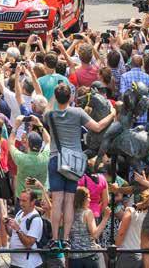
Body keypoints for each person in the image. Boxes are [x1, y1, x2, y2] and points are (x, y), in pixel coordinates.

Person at [44, 84, 115, 248]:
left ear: (56, 97)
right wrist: (112, 113)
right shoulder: (78, 113)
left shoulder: (50, 115)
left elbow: (46, 107)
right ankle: (66, 239)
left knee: (57, 201)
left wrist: (54, 96)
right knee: (69, 201)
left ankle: (55, 239)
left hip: (56, 158)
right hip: (74, 162)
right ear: (70, 98)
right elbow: (98, 127)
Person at [68, 186, 110, 268]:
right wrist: (105, 218)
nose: (90, 200)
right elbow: (95, 235)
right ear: (82, 199)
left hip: (74, 259)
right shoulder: (87, 213)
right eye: (88, 197)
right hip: (90, 256)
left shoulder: (69, 213)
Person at [7, 188, 45, 268]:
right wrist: (6, 224)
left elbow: (28, 244)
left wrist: (18, 229)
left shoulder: (36, 219)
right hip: (15, 263)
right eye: (20, 200)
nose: (20, 203)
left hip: (28, 264)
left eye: (24, 201)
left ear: (33, 202)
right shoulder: (20, 213)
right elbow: (12, 234)